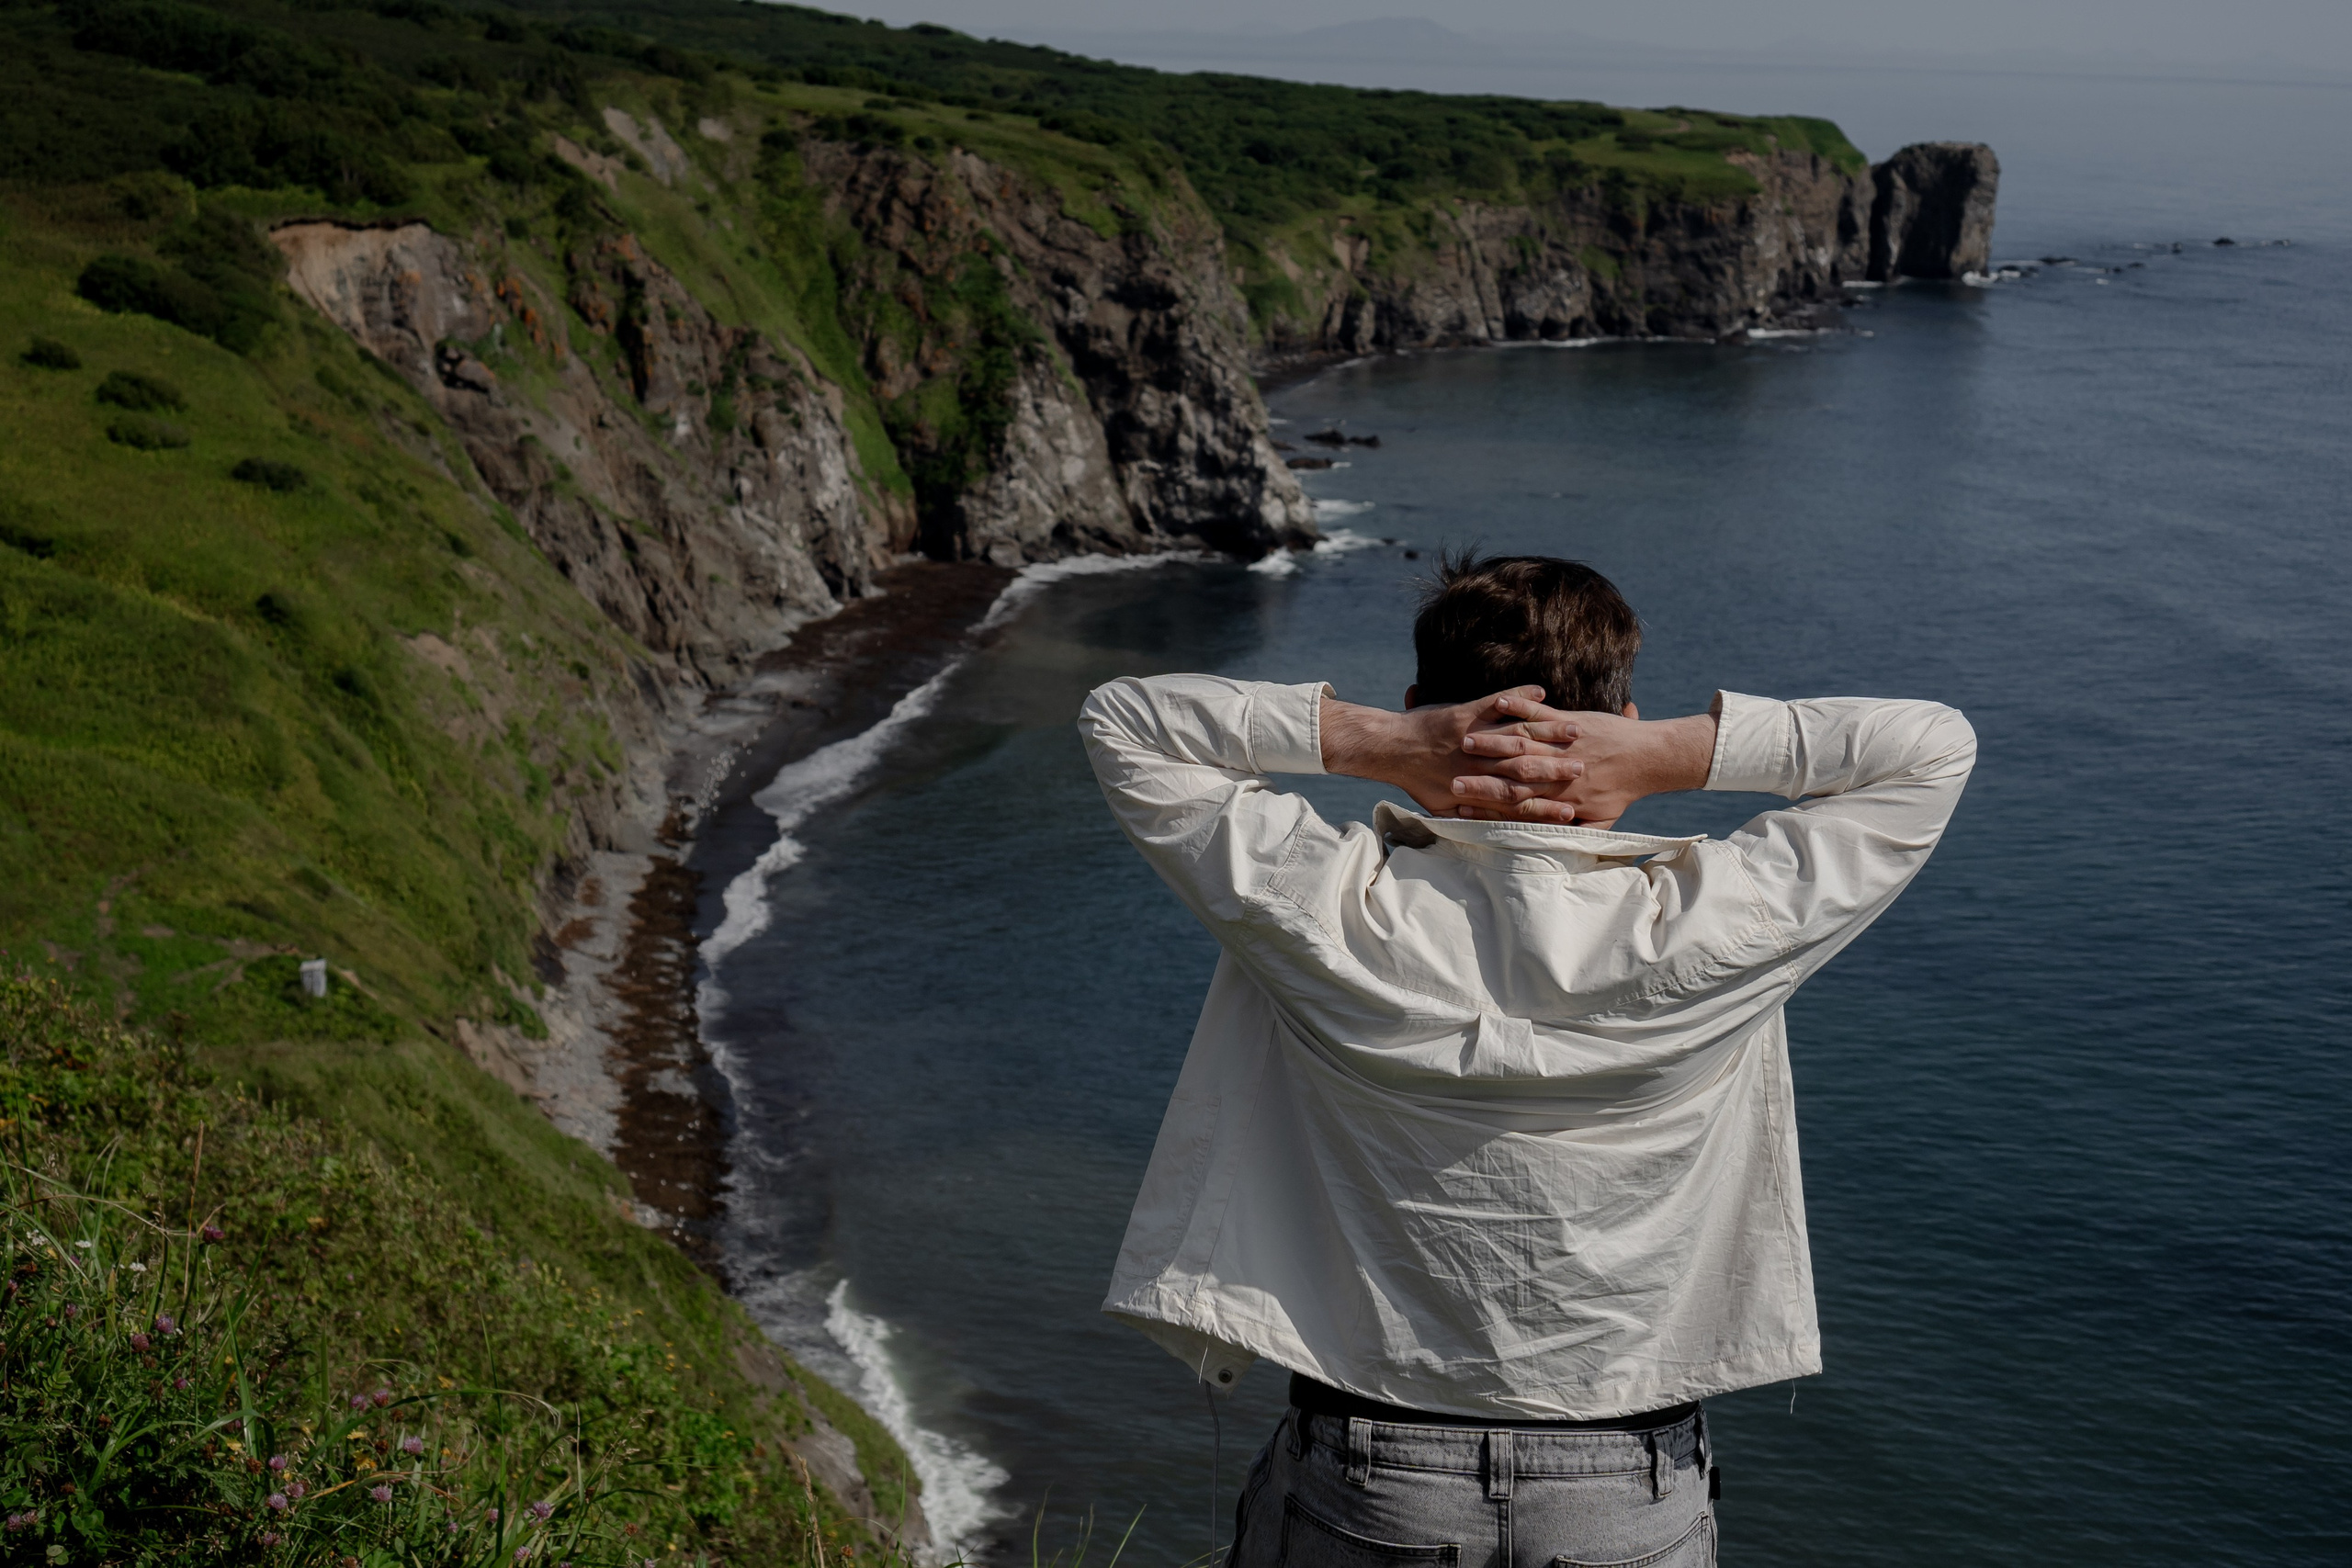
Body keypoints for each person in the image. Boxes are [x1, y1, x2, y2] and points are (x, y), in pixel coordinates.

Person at [1077, 553, 1976, 1567]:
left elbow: (1127, 720)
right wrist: (1669, 753)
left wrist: (1384, 743)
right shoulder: (1721, 919)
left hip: (1370, 1470)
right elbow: (1929, 748)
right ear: (1620, 720)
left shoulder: (1323, 904)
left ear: (1423, 708)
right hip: (1628, 1482)